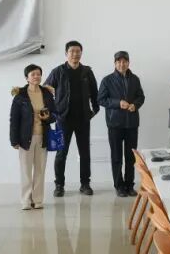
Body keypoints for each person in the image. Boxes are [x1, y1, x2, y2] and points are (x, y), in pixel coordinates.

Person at [45, 40, 100, 197]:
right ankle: (59, 185)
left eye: (78, 51)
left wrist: (93, 111)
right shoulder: (58, 71)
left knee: (85, 153)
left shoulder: (87, 72)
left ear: (81, 53)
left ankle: (85, 184)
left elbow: (95, 94)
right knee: (61, 153)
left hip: (83, 119)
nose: (75, 54)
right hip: (63, 120)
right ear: (66, 53)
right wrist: (54, 113)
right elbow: (46, 91)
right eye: (72, 51)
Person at [97, 51, 145, 198]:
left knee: (131, 157)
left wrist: (135, 105)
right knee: (116, 156)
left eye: (124, 61)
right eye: (118, 62)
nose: (121, 64)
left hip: (132, 124)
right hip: (115, 124)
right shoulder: (107, 80)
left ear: (128, 63)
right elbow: (101, 99)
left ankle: (130, 185)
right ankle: (119, 186)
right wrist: (118, 103)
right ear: (115, 63)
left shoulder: (135, 79)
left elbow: (141, 96)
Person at [10, 64, 57, 210]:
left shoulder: (47, 93)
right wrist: (14, 140)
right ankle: (25, 200)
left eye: (38, 74)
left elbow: (55, 115)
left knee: (40, 170)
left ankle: (37, 200)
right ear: (27, 78)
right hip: (25, 138)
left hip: (43, 136)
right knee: (26, 170)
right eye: (33, 74)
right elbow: (14, 119)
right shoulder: (20, 95)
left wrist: (48, 117)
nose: (36, 76)